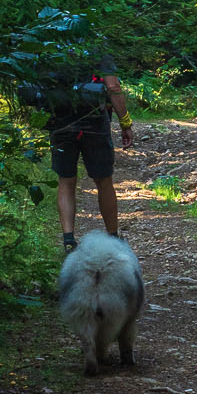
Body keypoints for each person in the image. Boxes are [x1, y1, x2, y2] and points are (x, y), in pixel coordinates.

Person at [45, 44, 135, 252]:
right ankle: (113, 238)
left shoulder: (51, 46)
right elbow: (112, 86)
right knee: (104, 180)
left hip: (60, 121)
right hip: (94, 121)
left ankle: (68, 240)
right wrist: (125, 122)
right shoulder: (96, 46)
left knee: (66, 181)